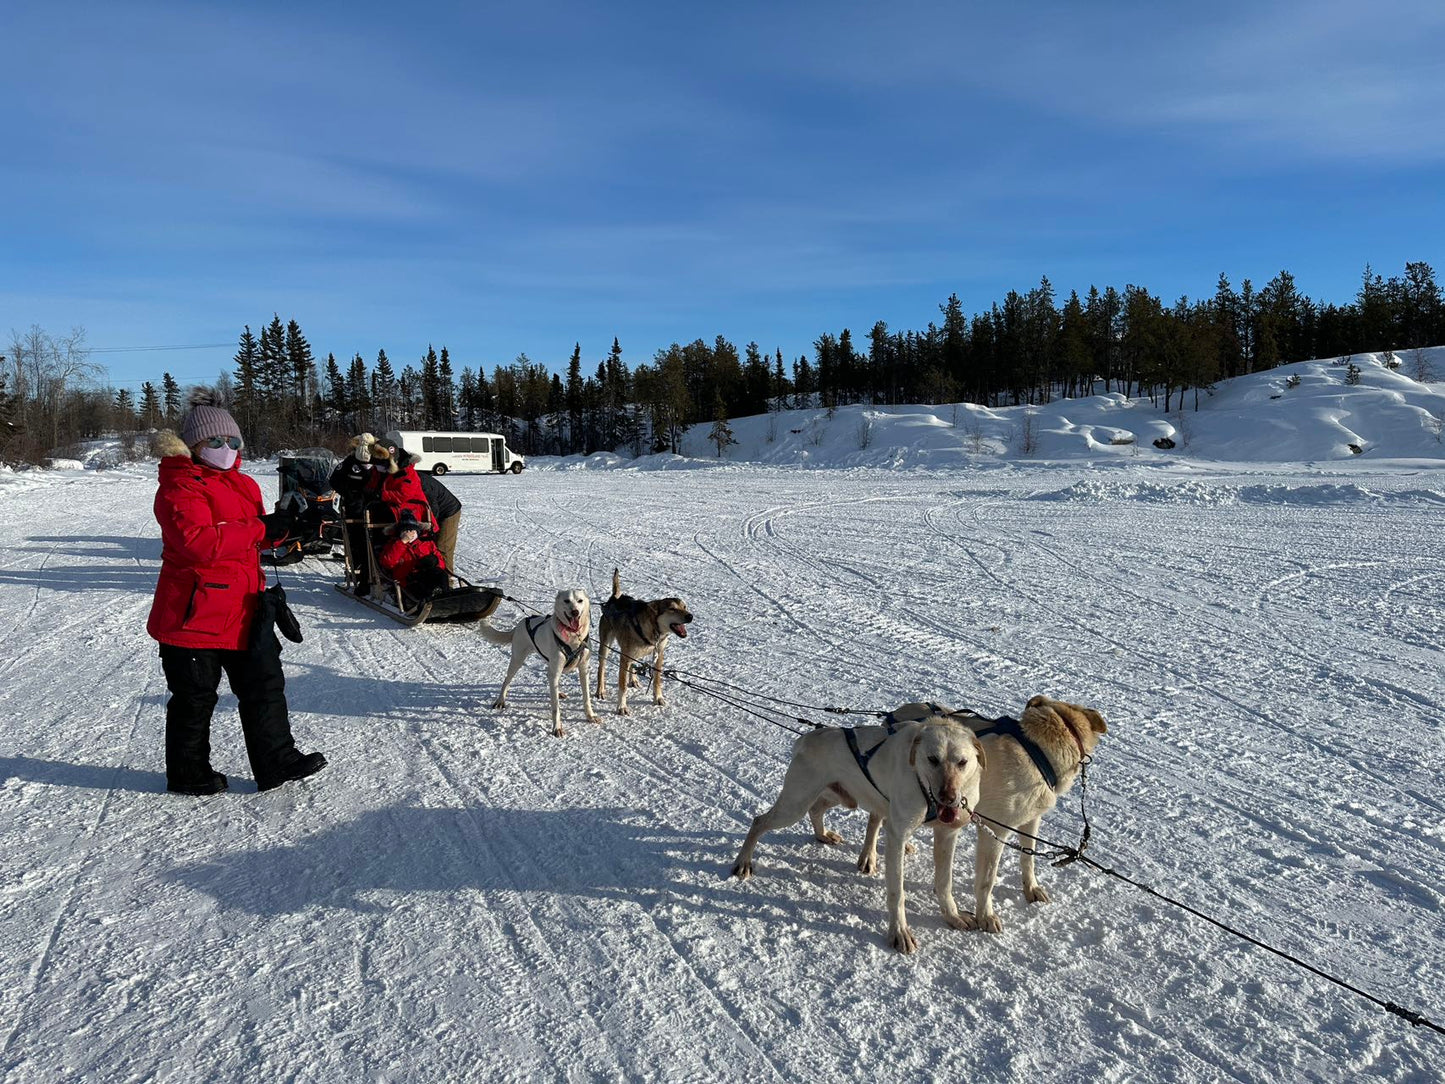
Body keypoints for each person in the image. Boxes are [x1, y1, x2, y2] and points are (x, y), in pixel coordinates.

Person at [147, 391, 327, 795]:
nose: (225, 449)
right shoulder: (179, 486)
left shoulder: (243, 485)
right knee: (195, 699)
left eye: (233, 442)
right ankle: (188, 773)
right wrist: (261, 529)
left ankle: (277, 760)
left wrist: (282, 529)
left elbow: (245, 540)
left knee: (265, 685)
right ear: (193, 446)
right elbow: (197, 542)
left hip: (247, 605)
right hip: (194, 614)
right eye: (214, 442)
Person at [330, 433, 377, 595]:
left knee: (375, 542)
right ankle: (359, 571)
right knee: (357, 542)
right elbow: (334, 480)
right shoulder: (349, 463)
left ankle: (375, 573)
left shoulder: (378, 462)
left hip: (374, 508)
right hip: (354, 509)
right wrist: (349, 493)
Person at [366, 438, 437, 533]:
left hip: (413, 515)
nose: (377, 465)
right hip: (393, 512)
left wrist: (381, 494)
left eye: (381, 462)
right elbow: (372, 484)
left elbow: (404, 495)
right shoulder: (381, 471)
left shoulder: (407, 473)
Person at [377, 511, 449, 600]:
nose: (409, 534)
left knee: (441, 575)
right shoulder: (393, 545)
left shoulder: (427, 544)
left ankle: (445, 598)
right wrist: (402, 543)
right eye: (406, 531)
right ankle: (432, 599)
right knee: (422, 586)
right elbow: (387, 563)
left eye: (412, 530)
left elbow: (441, 562)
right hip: (408, 580)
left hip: (428, 575)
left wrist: (434, 562)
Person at [415, 453, 462, 572]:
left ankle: (447, 580)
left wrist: (430, 528)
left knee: (443, 547)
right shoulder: (411, 478)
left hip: (448, 512)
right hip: (437, 510)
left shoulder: (420, 482)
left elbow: (432, 507)